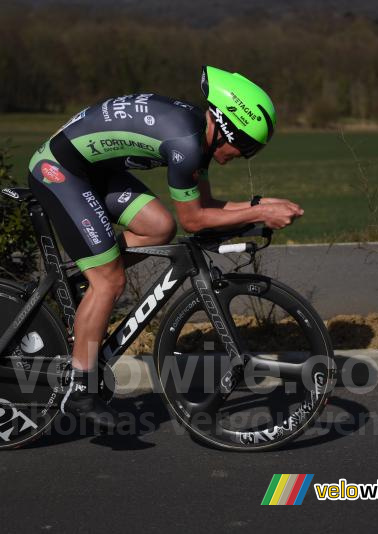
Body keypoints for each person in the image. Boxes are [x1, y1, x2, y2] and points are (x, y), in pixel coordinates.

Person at [27, 66, 303, 429]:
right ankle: (80, 388)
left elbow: (206, 208)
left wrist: (261, 205)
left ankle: (86, 276)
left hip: (91, 170)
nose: (245, 155)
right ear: (225, 128)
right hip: (59, 170)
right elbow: (196, 221)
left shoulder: (199, 137)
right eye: (246, 146)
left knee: (158, 226)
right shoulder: (186, 143)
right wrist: (262, 210)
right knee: (110, 282)